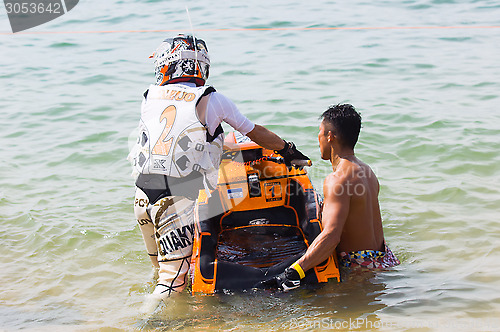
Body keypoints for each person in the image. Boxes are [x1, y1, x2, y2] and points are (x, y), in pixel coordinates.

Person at [129, 34, 310, 306]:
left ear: (166, 64)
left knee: (161, 269)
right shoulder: (210, 98)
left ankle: (175, 313)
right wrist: (287, 150)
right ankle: (139, 322)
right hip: (174, 199)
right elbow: (254, 132)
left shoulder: (150, 96)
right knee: (170, 283)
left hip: (143, 195)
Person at [264, 104, 399, 291]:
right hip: (385, 260)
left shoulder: (337, 179)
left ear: (330, 137)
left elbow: (332, 237)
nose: (318, 138)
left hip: (359, 271)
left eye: (319, 132)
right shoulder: (367, 171)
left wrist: (294, 271)